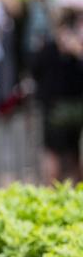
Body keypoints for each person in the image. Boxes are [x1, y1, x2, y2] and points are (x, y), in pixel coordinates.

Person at [31, 9, 83, 183]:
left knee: (59, 155)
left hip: (64, 109)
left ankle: (59, 197)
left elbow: (35, 72)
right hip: (60, 108)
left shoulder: (48, 48)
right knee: (66, 155)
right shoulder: (50, 49)